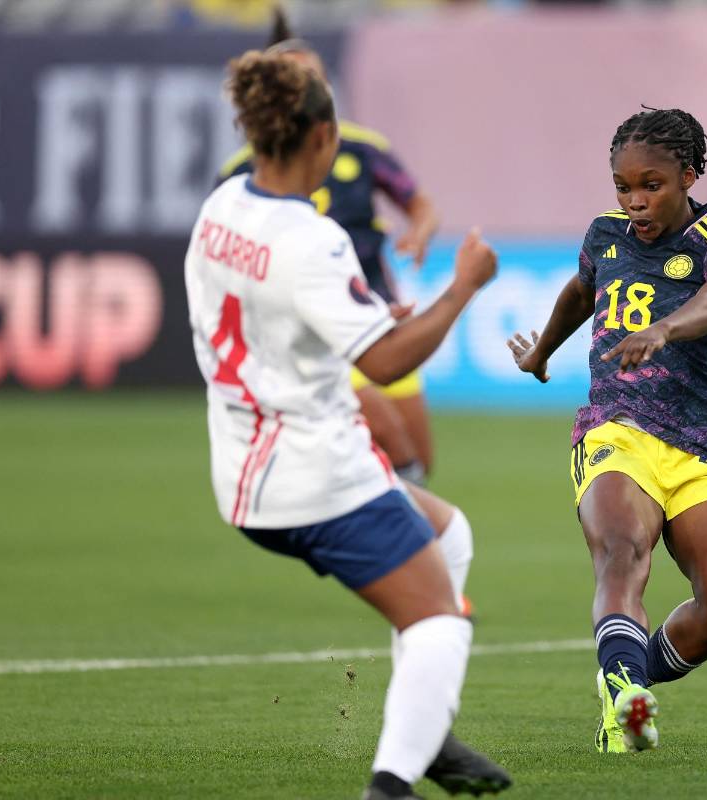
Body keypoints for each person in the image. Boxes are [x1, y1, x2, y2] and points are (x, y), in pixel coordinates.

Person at [186, 50, 510, 799]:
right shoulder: (311, 239)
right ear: (324, 137)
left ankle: (424, 728)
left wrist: (365, 316)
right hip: (314, 471)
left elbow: (269, 311)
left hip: (242, 466)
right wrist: (462, 288)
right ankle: (391, 785)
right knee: (441, 625)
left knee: (448, 533)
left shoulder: (221, 208)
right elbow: (390, 363)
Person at [507, 107, 707, 754]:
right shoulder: (606, 235)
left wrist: (665, 330)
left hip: (704, 443)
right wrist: (543, 350)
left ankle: (625, 677)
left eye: (650, 185)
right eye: (623, 186)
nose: (635, 200)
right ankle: (625, 701)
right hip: (615, 429)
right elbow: (580, 289)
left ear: (688, 174)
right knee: (621, 554)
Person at [218, 6, 438, 488]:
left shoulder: (361, 148)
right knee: (387, 451)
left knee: (417, 461)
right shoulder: (241, 175)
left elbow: (419, 202)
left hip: (380, 316)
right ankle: (397, 549)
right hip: (316, 336)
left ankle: (399, 545)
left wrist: (419, 230)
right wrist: (463, 288)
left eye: (316, 78)